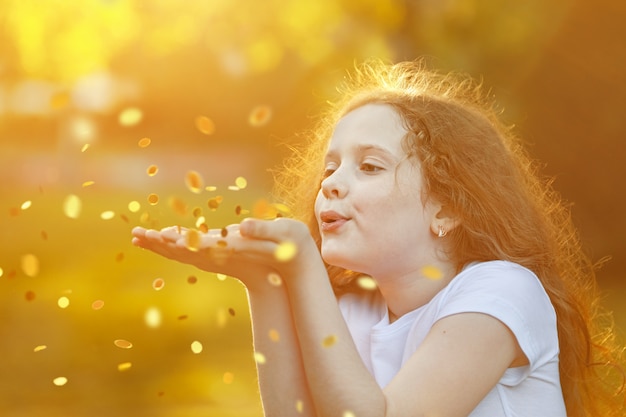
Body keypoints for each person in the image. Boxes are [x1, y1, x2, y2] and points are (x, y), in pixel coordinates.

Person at [131, 59, 625, 417]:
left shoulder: (502, 293)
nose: (331, 183)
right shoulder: (354, 313)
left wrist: (301, 261)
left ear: (447, 209)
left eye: (369, 166)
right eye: (331, 167)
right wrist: (262, 284)